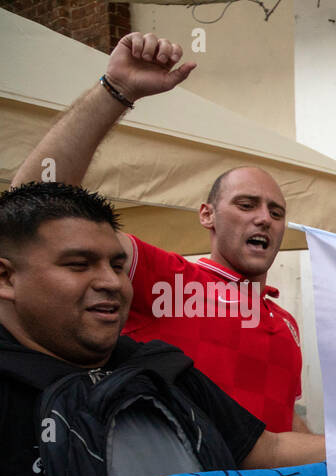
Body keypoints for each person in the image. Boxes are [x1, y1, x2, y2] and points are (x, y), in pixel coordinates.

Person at [12, 31, 311, 435]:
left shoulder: (286, 321)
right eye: (246, 205)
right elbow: (35, 211)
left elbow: (284, 425)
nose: (264, 219)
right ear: (207, 215)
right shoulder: (170, 280)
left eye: (276, 212)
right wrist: (115, 91)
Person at [0, 182, 324, 476]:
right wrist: (92, 125)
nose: (111, 281)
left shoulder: (162, 368)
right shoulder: (177, 282)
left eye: (116, 266)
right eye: (79, 264)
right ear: (6, 278)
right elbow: (39, 203)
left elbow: (268, 447)